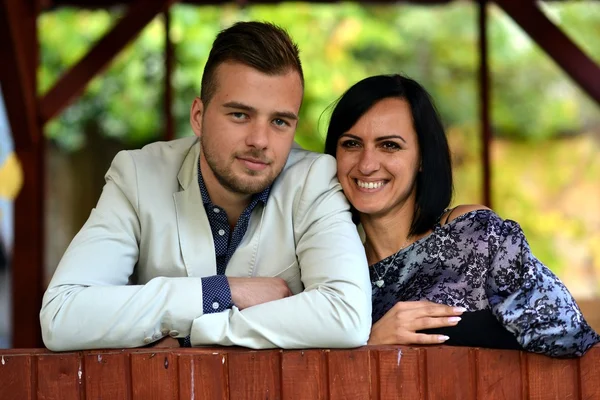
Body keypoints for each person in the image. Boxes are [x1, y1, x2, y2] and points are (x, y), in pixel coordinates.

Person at [40, 22, 372, 352]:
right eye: (240, 115)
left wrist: (195, 332)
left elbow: (347, 315)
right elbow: (62, 316)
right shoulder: (139, 176)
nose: (260, 141)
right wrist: (224, 291)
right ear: (198, 116)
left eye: (279, 122)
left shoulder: (314, 181)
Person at [324, 74, 600, 357]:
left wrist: (440, 329)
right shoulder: (327, 269)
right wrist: (370, 342)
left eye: (390, 145)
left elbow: (566, 329)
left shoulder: (473, 234)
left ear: (422, 157)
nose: (367, 164)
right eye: (351, 144)